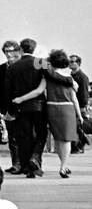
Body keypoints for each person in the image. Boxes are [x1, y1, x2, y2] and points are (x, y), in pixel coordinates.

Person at [31, 49, 82, 178]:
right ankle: (63, 166)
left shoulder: (47, 77)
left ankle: (63, 164)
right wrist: (79, 115)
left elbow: (39, 89)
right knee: (66, 140)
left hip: (51, 108)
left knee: (58, 139)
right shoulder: (69, 78)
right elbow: (74, 98)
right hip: (66, 109)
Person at [6, 38, 46, 177]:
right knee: (41, 134)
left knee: (24, 137)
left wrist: (9, 110)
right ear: (34, 49)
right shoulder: (41, 62)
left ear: (20, 50)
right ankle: (35, 158)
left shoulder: (13, 67)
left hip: (20, 107)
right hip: (39, 106)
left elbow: (8, 91)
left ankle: (27, 167)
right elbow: (52, 76)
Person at [0, 41, 22, 172]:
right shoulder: (1, 69)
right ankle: (16, 163)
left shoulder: (23, 66)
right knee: (12, 136)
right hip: (7, 107)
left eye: (11, 51)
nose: (9, 54)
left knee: (23, 135)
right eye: (6, 51)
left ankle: (24, 163)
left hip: (22, 106)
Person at [70, 54, 89, 154]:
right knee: (75, 126)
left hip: (80, 105)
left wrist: (84, 106)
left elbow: (84, 93)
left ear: (78, 63)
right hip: (72, 105)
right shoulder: (71, 76)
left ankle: (79, 146)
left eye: (72, 61)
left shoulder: (82, 77)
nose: (70, 63)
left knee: (78, 126)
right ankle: (76, 146)